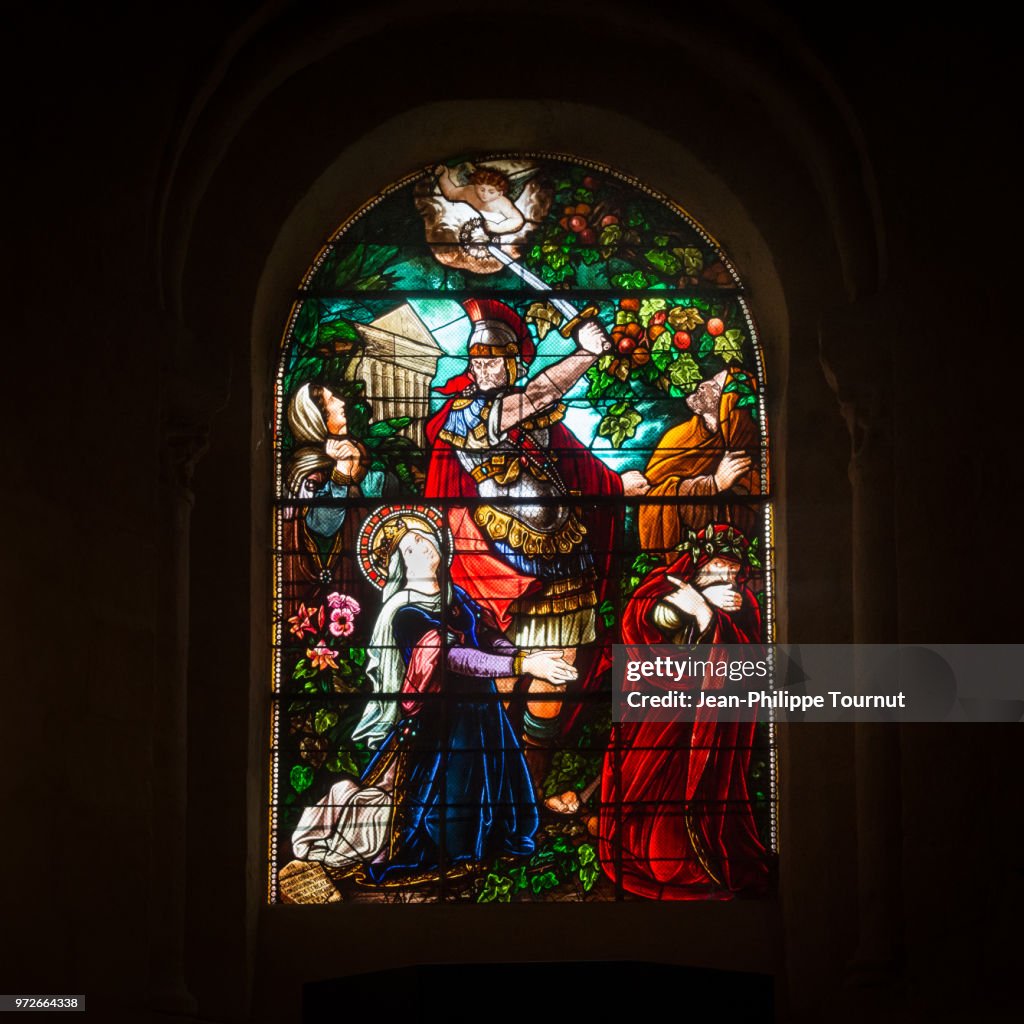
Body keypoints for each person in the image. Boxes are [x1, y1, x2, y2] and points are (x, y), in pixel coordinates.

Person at [424, 298, 649, 810]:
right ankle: (494, 795)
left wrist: (616, 485)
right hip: (502, 564)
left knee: (558, 675)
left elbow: (577, 467)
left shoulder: (537, 422)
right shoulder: (468, 416)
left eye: (493, 358)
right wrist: (586, 354)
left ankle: (530, 789)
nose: (482, 366)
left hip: (564, 558)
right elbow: (541, 391)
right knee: (504, 674)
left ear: (512, 364)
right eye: (475, 357)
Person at [291, 505, 574, 885]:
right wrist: (524, 667)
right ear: (399, 567)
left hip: (482, 711)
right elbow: (455, 658)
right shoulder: (405, 612)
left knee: (500, 788)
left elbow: (487, 639)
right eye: (409, 549)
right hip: (445, 723)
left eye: (423, 537)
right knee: (451, 797)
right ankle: (456, 855)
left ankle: (495, 846)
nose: (421, 547)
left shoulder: (455, 595)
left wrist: (528, 657)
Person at [599, 523, 769, 899]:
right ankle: (638, 851)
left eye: (733, 572)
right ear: (697, 564)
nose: (726, 578)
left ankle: (697, 857)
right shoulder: (666, 585)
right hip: (656, 714)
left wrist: (710, 617)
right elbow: (647, 623)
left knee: (696, 796)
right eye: (717, 568)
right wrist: (689, 604)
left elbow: (750, 667)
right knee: (644, 784)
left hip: (708, 719)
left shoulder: (744, 606)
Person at [281, 382, 386, 631]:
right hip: (326, 578)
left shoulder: (352, 454)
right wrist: (340, 477)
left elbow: (377, 490)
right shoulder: (306, 468)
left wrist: (355, 469)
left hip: (359, 570)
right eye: (332, 400)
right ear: (316, 418)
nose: (341, 403)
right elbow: (321, 527)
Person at [637, 367, 760, 558]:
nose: (703, 385)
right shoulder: (678, 437)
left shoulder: (745, 448)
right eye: (709, 379)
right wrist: (713, 484)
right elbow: (652, 497)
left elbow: (751, 513)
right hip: (679, 553)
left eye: (717, 386)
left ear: (732, 401)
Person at [434, 164, 526, 236]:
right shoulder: (469, 191)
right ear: (475, 187)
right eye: (481, 190)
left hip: (491, 235)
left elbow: (518, 220)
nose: (485, 195)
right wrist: (444, 177)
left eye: (491, 192)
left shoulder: (502, 203)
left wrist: (498, 227)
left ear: (500, 193)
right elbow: (450, 193)